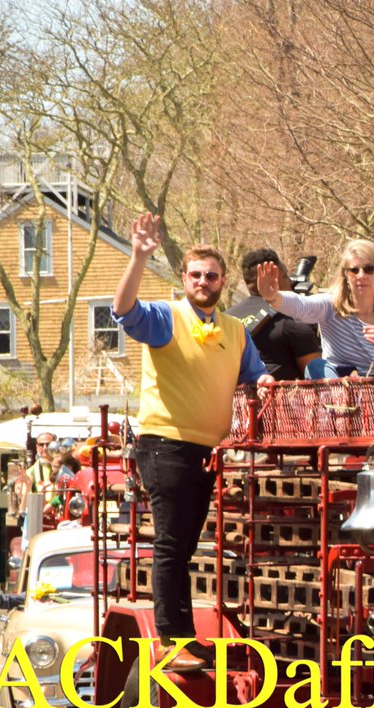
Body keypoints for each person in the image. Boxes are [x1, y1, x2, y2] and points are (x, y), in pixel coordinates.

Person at [113, 212, 273, 672]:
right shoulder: (167, 317)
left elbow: (255, 374)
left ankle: (182, 637)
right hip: (165, 443)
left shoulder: (236, 330)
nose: (204, 281)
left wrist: (263, 384)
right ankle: (172, 640)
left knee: (183, 547)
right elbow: (124, 311)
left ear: (223, 282)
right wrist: (138, 257)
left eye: (212, 276)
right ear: (184, 278)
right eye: (196, 275)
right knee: (170, 544)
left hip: (206, 452)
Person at [257, 239, 374, 380]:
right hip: (338, 390)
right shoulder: (331, 306)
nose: (361, 275)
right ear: (345, 276)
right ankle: (341, 407)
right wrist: (273, 297)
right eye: (354, 270)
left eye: (369, 269)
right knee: (315, 367)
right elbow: (302, 306)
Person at [227, 248, 320, 381]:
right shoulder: (291, 320)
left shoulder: (226, 319)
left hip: (230, 400)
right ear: (270, 281)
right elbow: (318, 381)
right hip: (282, 400)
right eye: (285, 276)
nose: (291, 281)